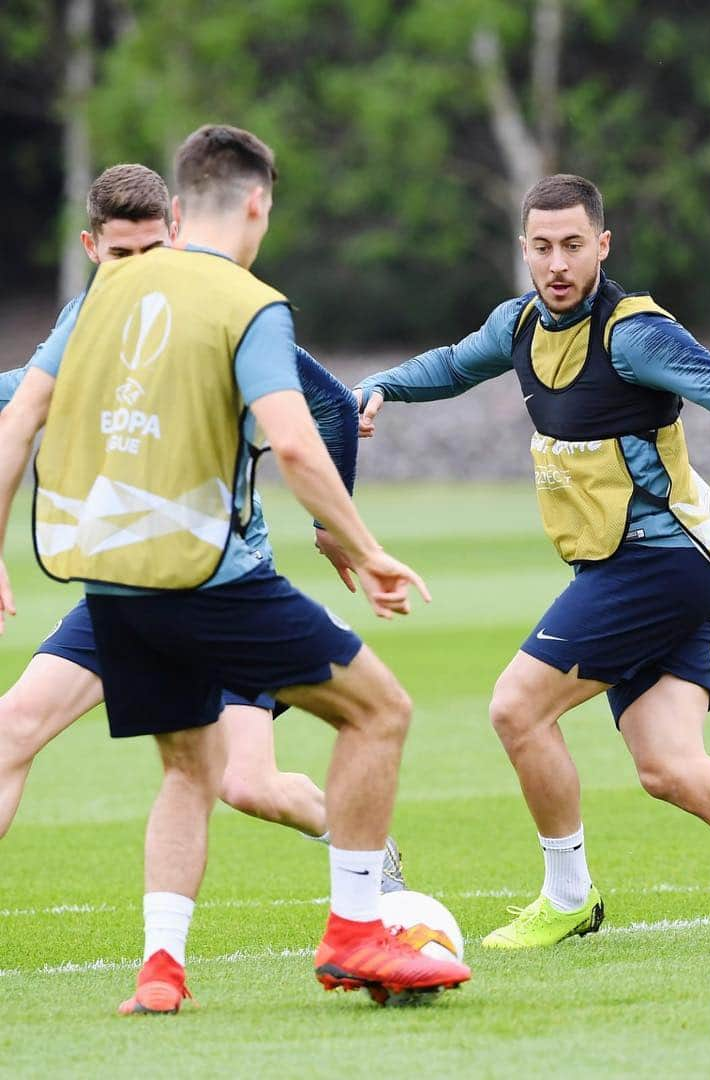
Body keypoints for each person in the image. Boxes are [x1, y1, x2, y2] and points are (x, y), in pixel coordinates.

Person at [0, 125, 471, 1013]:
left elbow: (19, 414)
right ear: (258, 202)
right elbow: (296, 436)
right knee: (380, 711)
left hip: (118, 585)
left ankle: (162, 973)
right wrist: (361, 547)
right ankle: (358, 928)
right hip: (212, 583)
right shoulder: (246, 302)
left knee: (199, 772)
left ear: (176, 214)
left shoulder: (95, 304)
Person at [357, 173, 710, 950]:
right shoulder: (519, 324)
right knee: (668, 766)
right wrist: (379, 388)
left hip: (655, 568)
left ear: (602, 245)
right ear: (523, 249)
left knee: (516, 708)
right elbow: (455, 364)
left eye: (572, 245)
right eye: (542, 247)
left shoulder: (633, 334)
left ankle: (568, 896)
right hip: (646, 573)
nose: (557, 262)